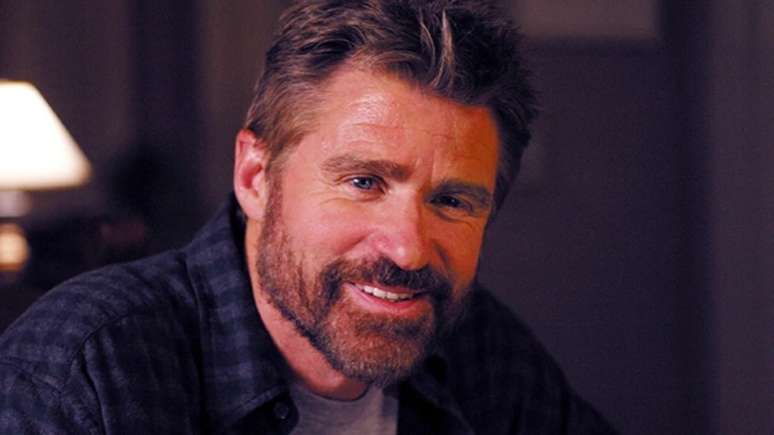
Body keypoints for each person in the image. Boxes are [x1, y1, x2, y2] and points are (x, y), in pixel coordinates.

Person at [0, 0, 616, 433]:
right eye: (364, 182)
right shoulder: (88, 367)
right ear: (255, 178)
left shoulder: (482, 350)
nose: (407, 249)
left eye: (451, 201)